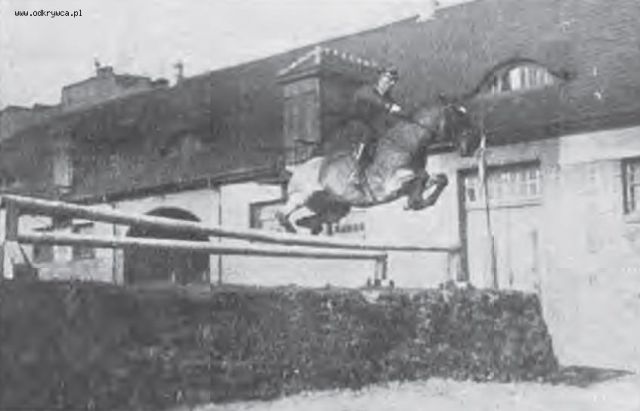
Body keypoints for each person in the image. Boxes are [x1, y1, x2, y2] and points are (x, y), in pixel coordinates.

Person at [348, 67, 406, 185]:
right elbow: (369, 99)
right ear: (381, 77)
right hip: (357, 124)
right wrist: (388, 106)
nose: (391, 83)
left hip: (376, 128)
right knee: (368, 133)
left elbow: (393, 113)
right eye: (389, 79)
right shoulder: (367, 90)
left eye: (393, 81)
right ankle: (355, 172)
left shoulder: (388, 98)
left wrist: (402, 116)